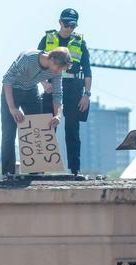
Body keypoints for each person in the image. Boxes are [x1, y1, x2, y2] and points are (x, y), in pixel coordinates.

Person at [1, 48, 70, 178]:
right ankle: (7, 172)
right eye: (59, 68)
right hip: (12, 90)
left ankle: (36, 172)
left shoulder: (56, 71)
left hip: (31, 91)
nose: (59, 72)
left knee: (38, 128)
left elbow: (57, 94)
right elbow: (7, 80)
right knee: (8, 132)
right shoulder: (28, 59)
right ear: (52, 59)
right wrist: (12, 108)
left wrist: (58, 114)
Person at [38, 8, 92, 178]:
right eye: (67, 24)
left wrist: (87, 94)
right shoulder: (48, 39)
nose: (70, 28)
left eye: (73, 25)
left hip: (74, 87)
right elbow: (37, 63)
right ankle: (40, 168)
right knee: (48, 125)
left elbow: (88, 70)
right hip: (52, 85)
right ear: (60, 22)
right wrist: (44, 84)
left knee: (72, 129)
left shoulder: (80, 42)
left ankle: (75, 170)